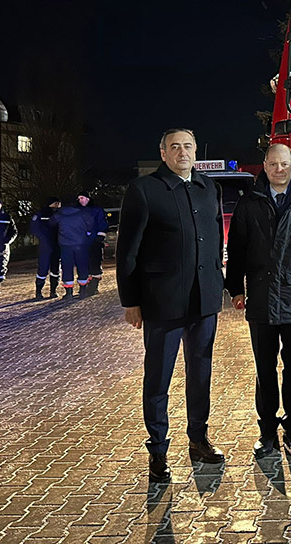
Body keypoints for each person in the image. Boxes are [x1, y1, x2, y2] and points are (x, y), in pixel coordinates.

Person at [117, 128, 226, 481]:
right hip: (162, 303)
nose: (182, 152)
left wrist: (217, 280)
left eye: (188, 146)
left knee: (201, 374)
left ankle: (199, 438)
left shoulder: (209, 187)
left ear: (195, 151)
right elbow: (127, 251)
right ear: (163, 153)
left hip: (203, 300)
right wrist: (131, 301)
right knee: (158, 378)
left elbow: (215, 239)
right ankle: (158, 450)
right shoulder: (144, 190)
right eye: (175, 147)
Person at [225, 144, 291, 458]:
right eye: (273, 164)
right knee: (264, 368)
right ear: (264, 165)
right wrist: (235, 288)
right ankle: (267, 431)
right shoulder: (249, 203)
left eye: (284, 164)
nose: (279, 169)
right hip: (260, 298)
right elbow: (237, 249)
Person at [51, 198, 92, 299]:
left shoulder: (59, 214)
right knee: (82, 266)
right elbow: (90, 225)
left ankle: (69, 292)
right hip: (81, 244)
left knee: (67, 267)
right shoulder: (83, 213)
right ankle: (83, 290)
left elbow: (51, 224)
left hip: (65, 245)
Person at [78, 191, 108, 296]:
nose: (80, 200)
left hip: (94, 241)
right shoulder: (79, 211)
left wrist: (99, 237)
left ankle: (93, 286)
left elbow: (102, 224)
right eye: (79, 198)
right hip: (83, 242)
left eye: (82, 198)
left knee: (95, 263)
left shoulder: (97, 210)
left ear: (88, 199)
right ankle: (86, 286)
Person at [31, 196, 62, 300]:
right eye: (56, 203)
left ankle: (53, 290)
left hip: (57, 246)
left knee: (55, 270)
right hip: (45, 246)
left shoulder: (60, 214)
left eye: (59, 204)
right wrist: (43, 238)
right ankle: (39, 291)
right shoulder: (41, 214)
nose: (58, 205)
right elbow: (34, 228)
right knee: (43, 269)